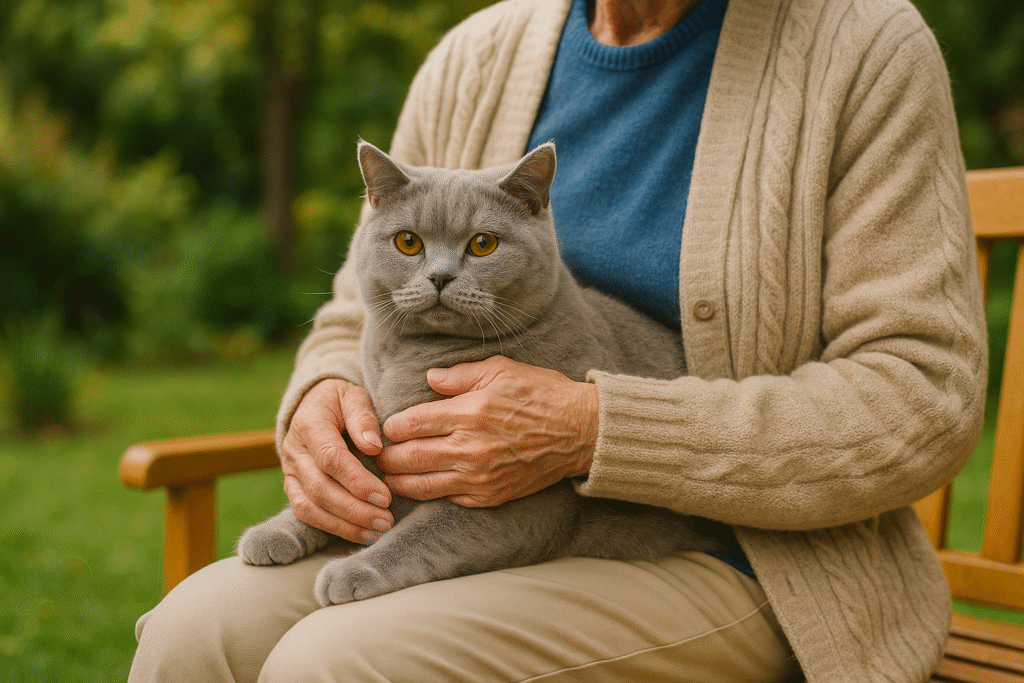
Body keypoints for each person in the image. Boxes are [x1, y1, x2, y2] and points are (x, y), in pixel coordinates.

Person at [128, 0, 988, 680]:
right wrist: (323, 396)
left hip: (744, 556)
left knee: (339, 663)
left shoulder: (865, 49)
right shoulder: (476, 54)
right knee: (191, 637)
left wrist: (594, 429)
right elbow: (363, 298)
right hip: (435, 514)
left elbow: (923, 394)